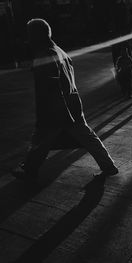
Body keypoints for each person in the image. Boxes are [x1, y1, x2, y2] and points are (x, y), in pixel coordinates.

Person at [11, 18, 118, 182]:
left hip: (56, 109)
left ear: (38, 34)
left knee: (40, 140)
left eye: (30, 34)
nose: (28, 38)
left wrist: (47, 114)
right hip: (72, 104)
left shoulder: (45, 55)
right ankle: (108, 166)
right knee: (87, 137)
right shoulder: (60, 52)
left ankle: (30, 170)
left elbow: (49, 88)